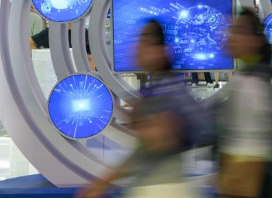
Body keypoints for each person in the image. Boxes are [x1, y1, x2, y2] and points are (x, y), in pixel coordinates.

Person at [76, 20, 201, 198]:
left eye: (144, 42)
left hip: (162, 189)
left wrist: (103, 182)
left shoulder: (167, 91)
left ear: (162, 50)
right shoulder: (157, 89)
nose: (137, 49)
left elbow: (156, 143)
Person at [217, 8, 272, 198]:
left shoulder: (253, 83)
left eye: (239, 31)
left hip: (246, 176)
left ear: (255, 41)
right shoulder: (248, 76)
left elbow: (257, 147)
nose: (232, 36)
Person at [29, 23, 95, 71]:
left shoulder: (85, 33)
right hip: (53, 72)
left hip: (78, 72)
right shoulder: (51, 32)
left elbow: (91, 58)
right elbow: (30, 42)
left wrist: (90, 76)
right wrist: (42, 58)